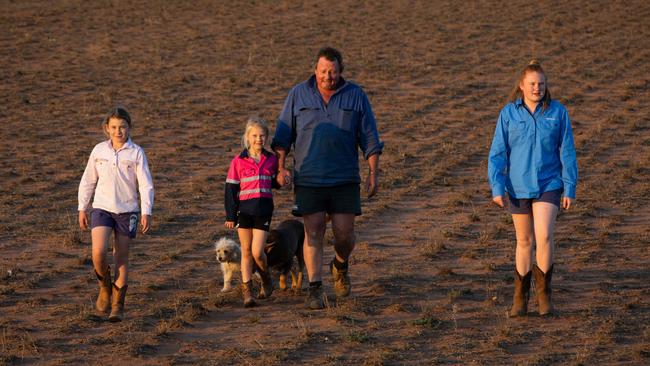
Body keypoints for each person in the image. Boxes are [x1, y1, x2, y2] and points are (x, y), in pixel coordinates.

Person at [272, 47, 384, 310]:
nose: (328, 77)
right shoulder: (298, 94)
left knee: (345, 234)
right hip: (309, 178)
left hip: (344, 178)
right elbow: (282, 137)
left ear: (340, 72)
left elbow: (370, 138)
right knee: (313, 231)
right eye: (323, 71)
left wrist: (373, 174)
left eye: (333, 72)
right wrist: (280, 168)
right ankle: (315, 288)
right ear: (315, 70)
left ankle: (340, 264)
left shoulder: (355, 96)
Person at [488, 60, 578, 317]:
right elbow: (497, 153)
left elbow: (568, 152)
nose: (537, 88)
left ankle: (544, 295)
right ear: (521, 86)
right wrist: (497, 187)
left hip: (548, 184)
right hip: (516, 186)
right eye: (532, 84)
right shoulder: (508, 113)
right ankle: (520, 298)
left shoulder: (558, 112)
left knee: (544, 235)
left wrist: (569, 187)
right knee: (524, 241)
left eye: (541, 83)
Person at [78, 107, 154, 322]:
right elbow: (88, 180)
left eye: (122, 127)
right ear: (106, 129)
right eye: (114, 127)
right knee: (98, 252)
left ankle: (117, 306)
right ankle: (104, 286)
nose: (118, 131)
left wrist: (146, 212)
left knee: (121, 257)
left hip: (127, 211)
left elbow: (146, 184)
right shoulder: (99, 150)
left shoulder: (136, 152)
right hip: (101, 208)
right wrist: (82, 207)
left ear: (129, 128)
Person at [224, 117, 281, 307]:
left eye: (262, 135)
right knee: (246, 251)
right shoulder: (238, 161)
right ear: (247, 138)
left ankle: (266, 279)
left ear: (267, 137)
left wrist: (284, 179)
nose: (259, 139)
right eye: (255, 135)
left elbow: (275, 182)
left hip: (263, 210)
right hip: (244, 212)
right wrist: (231, 216)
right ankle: (247, 292)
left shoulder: (271, 159)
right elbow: (231, 190)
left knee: (258, 252)